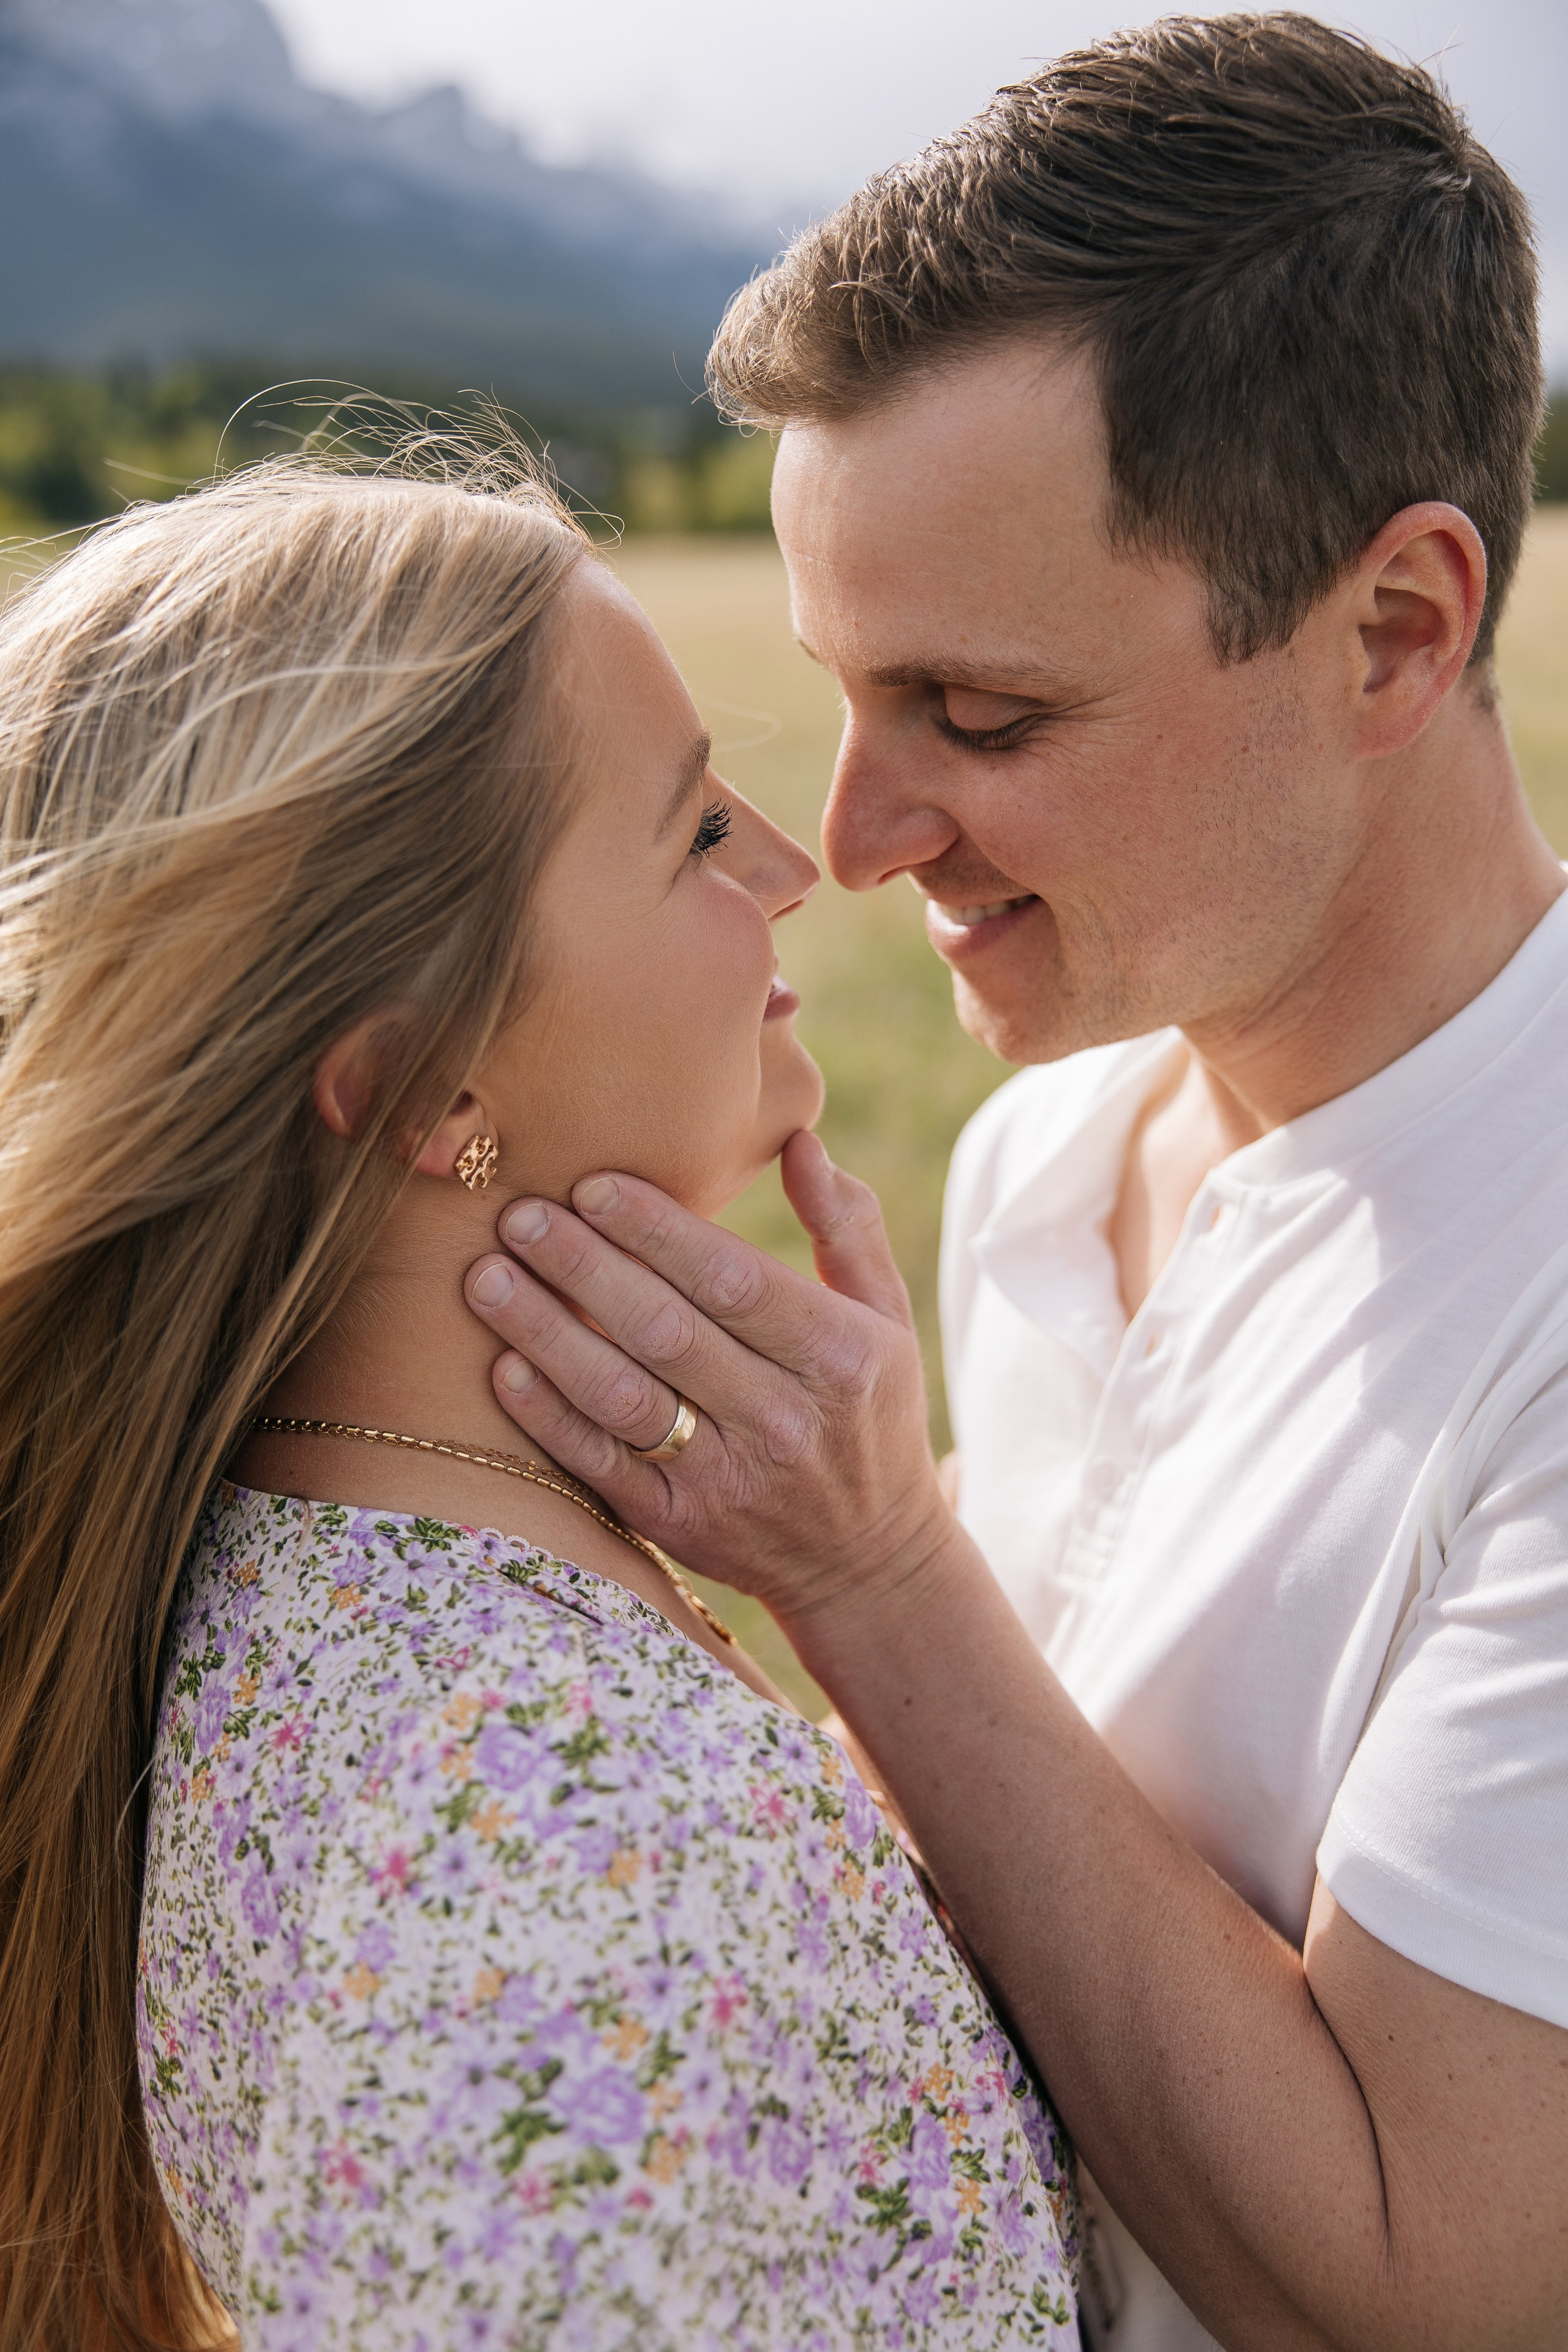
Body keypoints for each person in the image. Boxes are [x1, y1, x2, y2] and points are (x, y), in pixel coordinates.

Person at [458, 17, 1568, 2352]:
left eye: (984, 715)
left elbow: (1428, 2285)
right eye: (847, 695)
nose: (853, 842)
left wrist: (875, 1571)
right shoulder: (1046, 1151)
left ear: (1397, 629)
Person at [0, 448, 1080, 2350]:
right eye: (688, 835)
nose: (794, 866)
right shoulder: (566, 1845)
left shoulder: (296, 1599)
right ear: (420, 1085)